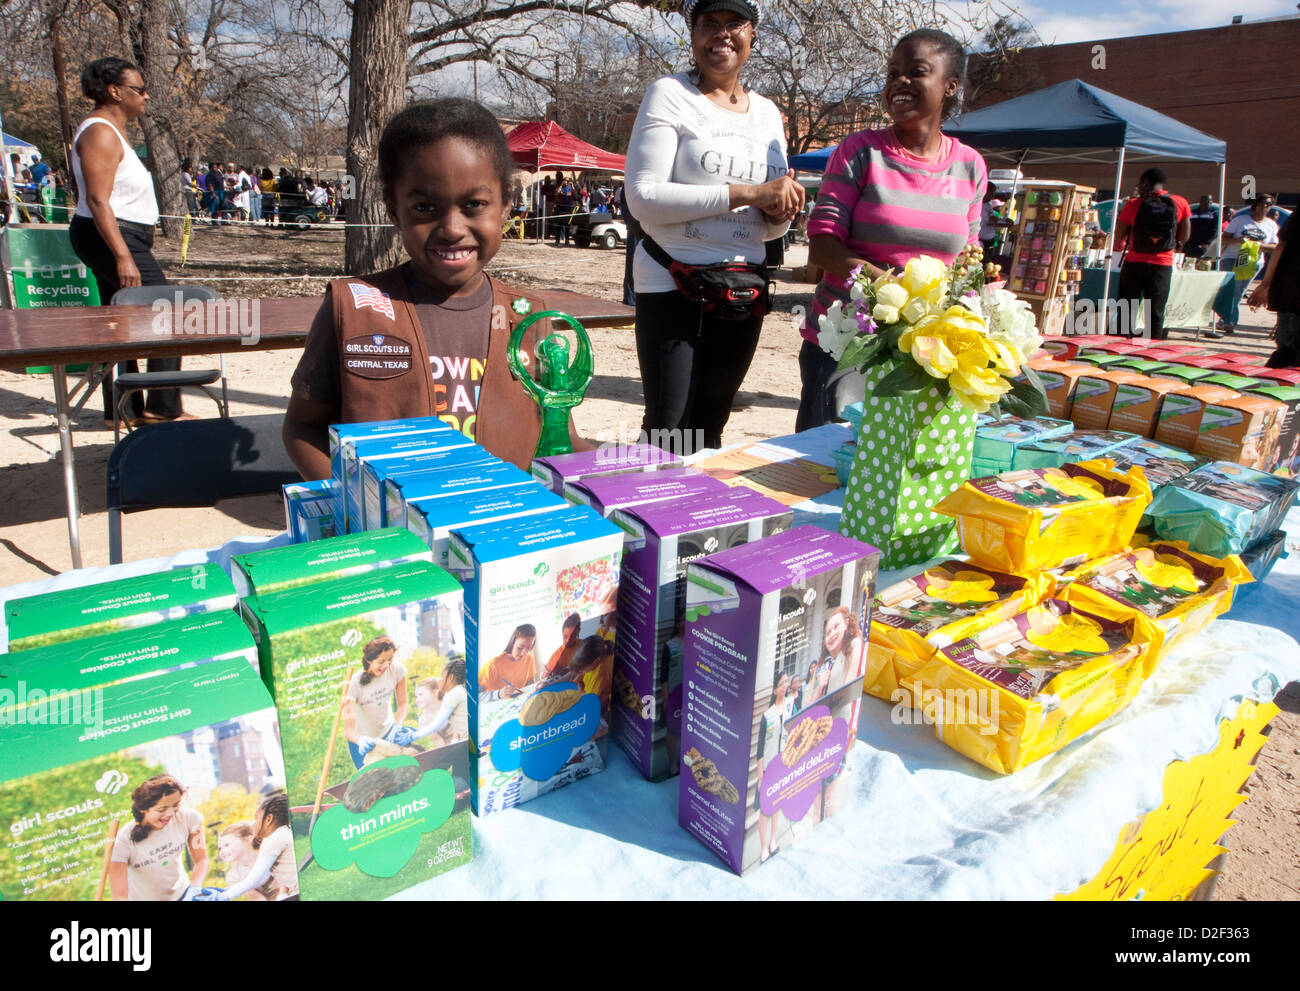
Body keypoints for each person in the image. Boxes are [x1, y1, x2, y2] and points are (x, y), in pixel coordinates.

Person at [282, 98, 589, 476]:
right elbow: (302, 427)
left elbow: (563, 439)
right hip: (394, 533)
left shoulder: (531, 319)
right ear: (394, 209)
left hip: (504, 529)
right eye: (425, 208)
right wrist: (356, 503)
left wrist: (638, 470)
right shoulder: (354, 309)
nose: (452, 229)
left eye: (475, 204)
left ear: (506, 205)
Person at [626, 0, 801, 454]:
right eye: (709, 24)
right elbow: (643, 199)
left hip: (741, 283)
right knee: (668, 423)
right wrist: (750, 193)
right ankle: (649, 516)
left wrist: (780, 214)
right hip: (673, 278)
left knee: (711, 424)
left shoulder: (767, 114)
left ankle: (699, 520)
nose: (721, 34)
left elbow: (764, 231)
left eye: (734, 24)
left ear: (752, 36)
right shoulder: (669, 93)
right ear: (693, 34)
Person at [796, 28, 987, 430]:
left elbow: (967, 258)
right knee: (824, 465)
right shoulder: (861, 152)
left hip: (925, 353)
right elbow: (822, 245)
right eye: (893, 73)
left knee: (899, 467)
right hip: (849, 343)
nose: (899, 81)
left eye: (916, 72)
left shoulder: (970, 166)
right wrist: (890, 288)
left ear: (950, 85)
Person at [68, 56, 187, 427]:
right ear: (114, 92)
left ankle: (122, 410)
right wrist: (122, 255)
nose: (146, 96)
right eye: (139, 89)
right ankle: (161, 409)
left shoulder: (109, 132)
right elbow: (98, 199)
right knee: (170, 309)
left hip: (117, 234)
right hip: (112, 235)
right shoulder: (100, 132)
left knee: (117, 321)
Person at [1113, 167, 1191, 340]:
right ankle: (1152, 350)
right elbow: (1185, 236)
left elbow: (1119, 236)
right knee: (1155, 311)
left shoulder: (1133, 204)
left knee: (1126, 308)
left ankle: (1119, 347)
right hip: (1162, 264)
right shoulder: (1180, 202)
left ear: (1145, 182)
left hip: (1134, 262)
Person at [108, 775, 208, 900]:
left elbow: (201, 860)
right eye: (162, 809)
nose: (171, 813)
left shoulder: (189, 818)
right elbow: (120, 897)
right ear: (143, 809)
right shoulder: (122, 840)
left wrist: (195, 889)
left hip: (184, 894)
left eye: (176, 805)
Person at [195, 793, 298, 901]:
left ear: (268, 819)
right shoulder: (282, 833)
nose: (252, 825)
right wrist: (228, 889)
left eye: (256, 818)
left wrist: (222, 896)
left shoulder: (272, 840)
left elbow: (253, 880)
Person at [1209, 195, 1279, 337]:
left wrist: (1260, 245)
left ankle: (1228, 320)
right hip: (1232, 258)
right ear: (1256, 204)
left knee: (1238, 292)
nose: (1266, 206)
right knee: (1226, 289)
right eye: (1263, 203)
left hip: (1252, 261)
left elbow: (1275, 246)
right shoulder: (1240, 220)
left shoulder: (1271, 225)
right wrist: (1238, 240)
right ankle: (1228, 320)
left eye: (1269, 204)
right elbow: (1223, 239)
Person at [343, 635, 410, 768]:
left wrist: (398, 725)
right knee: (376, 782)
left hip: (388, 732)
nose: (386, 665)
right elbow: (348, 731)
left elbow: (403, 705)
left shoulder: (397, 670)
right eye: (381, 661)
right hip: (362, 742)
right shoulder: (353, 684)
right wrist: (360, 740)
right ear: (369, 660)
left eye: (390, 659)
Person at [1248, 211, 1299, 367]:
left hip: (1289, 293)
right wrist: (1265, 285)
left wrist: (1265, 284)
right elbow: (1280, 247)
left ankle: (1267, 385)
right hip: (1291, 294)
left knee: (1286, 351)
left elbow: (1280, 247)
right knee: (1287, 351)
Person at [756, 672, 790, 863]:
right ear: (775, 689)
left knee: (776, 805)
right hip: (768, 767)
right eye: (781, 683)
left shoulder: (790, 706)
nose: (784, 685)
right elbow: (759, 749)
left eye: (786, 682)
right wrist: (760, 775)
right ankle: (762, 848)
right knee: (764, 809)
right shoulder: (766, 716)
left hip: (783, 764)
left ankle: (773, 841)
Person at [410, 659, 470, 744]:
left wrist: (412, 736)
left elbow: (437, 724)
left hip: (465, 741)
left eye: (442, 676)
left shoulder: (453, 693)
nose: (439, 680)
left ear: (450, 678)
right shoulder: (459, 691)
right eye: (416, 696)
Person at [216, 822, 280, 900]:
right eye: (220, 848)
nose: (222, 852)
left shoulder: (269, 851)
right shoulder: (234, 876)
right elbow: (257, 898)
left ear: (247, 840)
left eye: (227, 845)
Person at [479, 624, 537, 698]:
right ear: (512, 643)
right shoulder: (492, 665)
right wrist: (498, 694)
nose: (524, 653)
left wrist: (536, 687)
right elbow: (476, 696)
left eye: (529, 647)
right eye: (520, 647)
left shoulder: (529, 659)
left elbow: (530, 684)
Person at [1185, 194, 1220, 259]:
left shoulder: (1214, 213)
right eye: (1206, 200)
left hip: (1204, 243)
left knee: (1201, 262)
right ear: (1200, 201)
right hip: (1190, 242)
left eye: (1210, 201)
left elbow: (1215, 229)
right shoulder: (1193, 212)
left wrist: (1208, 242)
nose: (1208, 202)